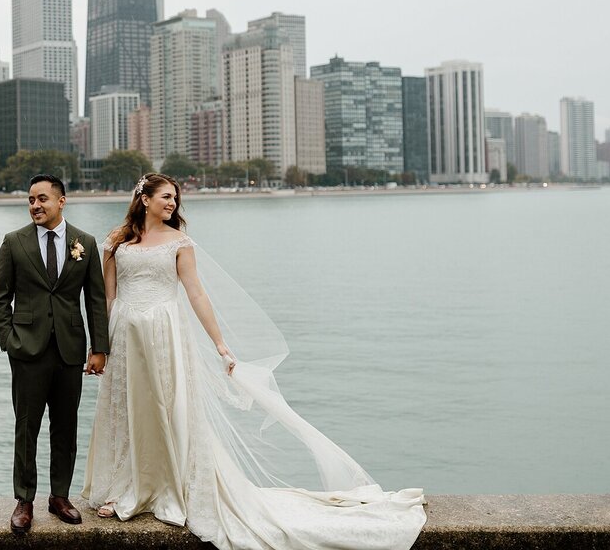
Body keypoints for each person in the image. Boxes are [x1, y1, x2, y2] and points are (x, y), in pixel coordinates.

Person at [82, 172, 426, 550]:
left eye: (176, 199)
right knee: (125, 409)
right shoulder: (116, 241)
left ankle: (166, 486)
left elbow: (196, 294)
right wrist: (100, 345)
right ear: (144, 199)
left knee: (166, 408)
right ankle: (122, 486)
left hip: (165, 335)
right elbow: (107, 298)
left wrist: (220, 344)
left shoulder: (180, 242)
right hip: (125, 335)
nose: (173, 204)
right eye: (166, 197)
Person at [0, 174, 110, 535]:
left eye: (42, 199)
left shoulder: (85, 243)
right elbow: (0, 297)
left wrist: (99, 347)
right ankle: (24, 500)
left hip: (70, 350)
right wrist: (10, 340)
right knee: (26, 427)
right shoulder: (14, 242)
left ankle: (60, 497)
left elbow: (95, 300)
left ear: (61, 201)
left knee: (66, 426)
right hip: (26, 350)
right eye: (30, 200)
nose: (35, 205)